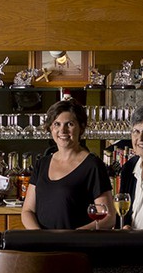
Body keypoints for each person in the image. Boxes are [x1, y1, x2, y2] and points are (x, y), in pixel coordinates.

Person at [21, 97, 115, 229]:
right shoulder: (42, 163)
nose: (62, 130)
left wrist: (75, 236)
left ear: (81, 128)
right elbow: (27, 211)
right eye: (56, 124)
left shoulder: (93, 165)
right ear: (50, 128)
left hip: (74, 246)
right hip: (42, 246)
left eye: (69, 124)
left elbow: (108, 217)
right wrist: (39, 236)